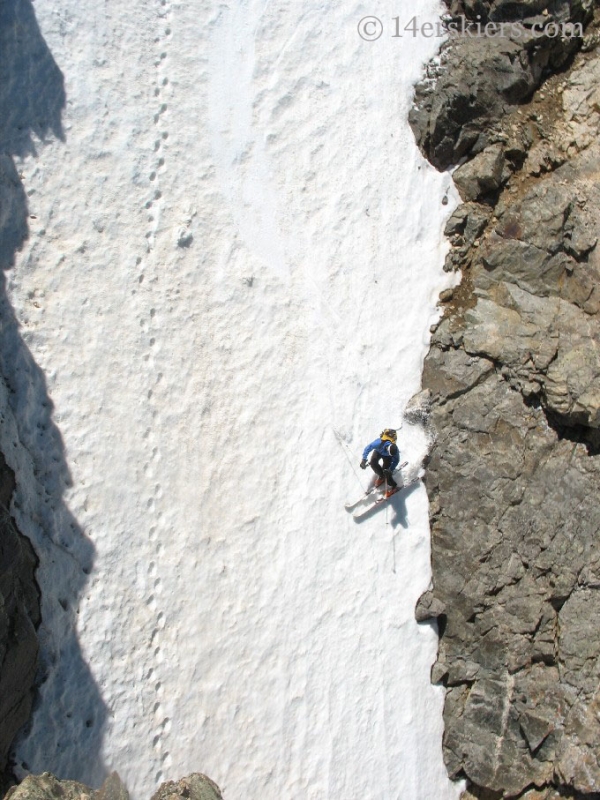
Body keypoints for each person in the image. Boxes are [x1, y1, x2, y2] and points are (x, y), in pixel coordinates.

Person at [360, 429, 400, 497]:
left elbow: (396, 460)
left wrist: (390, 469)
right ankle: (381, 476)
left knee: (386, 472)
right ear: (387, 448)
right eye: (390, 453)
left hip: (387, 457)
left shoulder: (395, 451)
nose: (391, 455)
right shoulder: (378, 443)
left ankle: (394, 486)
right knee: (373, 462)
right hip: (378, 451)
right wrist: (364, 459)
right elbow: (368, 448)